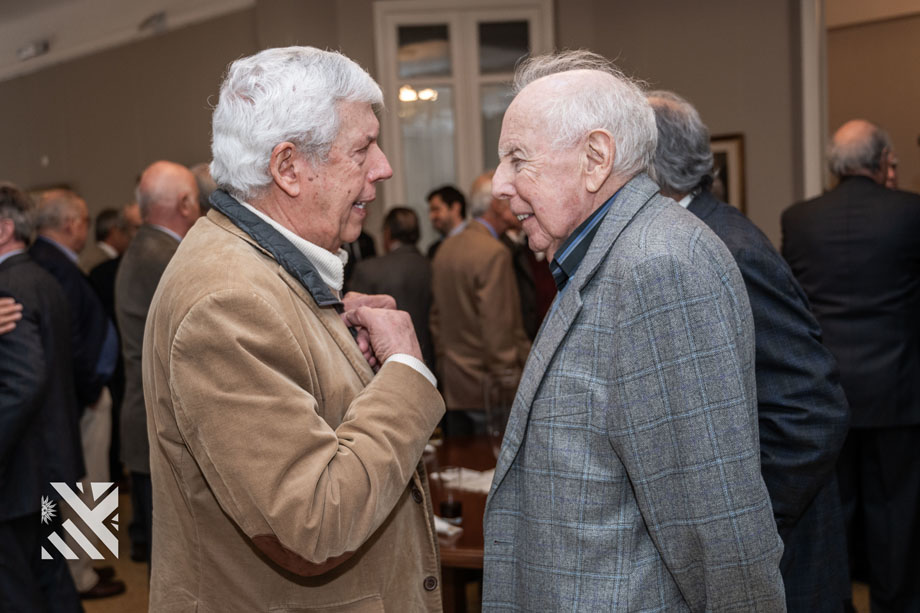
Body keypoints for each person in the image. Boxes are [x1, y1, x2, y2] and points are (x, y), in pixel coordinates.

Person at [143, 46, 445, 611]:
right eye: (362, 149)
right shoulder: (227, 301)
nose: (383, 167)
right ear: (288, 168)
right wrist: (406, 369)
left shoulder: (257, 270)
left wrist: (329, 329)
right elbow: (315, 524)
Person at [482, 50, 784, 611]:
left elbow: (717, 524)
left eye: (517, 159)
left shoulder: (657, 267)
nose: (499, 184)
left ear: (596, 158)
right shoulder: (610, 256)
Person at [649, 90, 851, 612]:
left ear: (649, 170)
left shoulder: (727, 250)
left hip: (783, 565)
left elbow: (812, 412)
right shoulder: (698, 234)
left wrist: (743, 530)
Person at [782, 119, 920, 613]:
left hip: (827, 392)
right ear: (882, 160)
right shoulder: (910, 212)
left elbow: (795, 305)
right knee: (896, 518)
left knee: (832, 515)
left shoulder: (800, 219)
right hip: (898, 391)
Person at [29, 188, 125, 599]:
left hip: (77, 397)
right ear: (70, 224)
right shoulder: (54, 267)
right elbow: (70, 341)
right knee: (82, 489)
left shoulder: (49, 261)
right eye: (84, 221)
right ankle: (79, 574)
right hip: (79, 399)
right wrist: (91, 388)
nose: (85, 229)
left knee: (85, 487)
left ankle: (84, 565)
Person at [0, 182, 84, 612]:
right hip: (50, 458)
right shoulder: (43, 277)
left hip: (18, 471)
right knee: (54, 577)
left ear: (4, 230)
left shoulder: (7, 287)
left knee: (20, 590)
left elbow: (24, 382)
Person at [115, 160, 201, 566]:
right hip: (158, 423)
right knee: (173, 562)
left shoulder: (147, 247)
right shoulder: (164, 256)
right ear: (184, 204)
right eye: (197, 201)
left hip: (145, 415)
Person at [430, 171, 530, 435]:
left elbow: (436, 319)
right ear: (496, 205)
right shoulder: (493, 253)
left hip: (454, 387)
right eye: (510, 197)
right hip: (489, 390)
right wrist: (512, 385)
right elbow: (497, 329)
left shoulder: (445, 249)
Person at [349, 206, 435, 368]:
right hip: (429, 362)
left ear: (388, 233)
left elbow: (353, 327)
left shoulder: (368, 270)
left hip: (385, 364)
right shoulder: (431, 266)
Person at [78, 208, 132, 274]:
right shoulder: (101, 262)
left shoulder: (90, 255)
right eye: (125, 230)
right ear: (114, 232)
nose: (130, 236)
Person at [426, 184, 467, 258]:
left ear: (455, 208)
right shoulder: (434, 249)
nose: (431, 216)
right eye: (431, 211)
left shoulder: (475, 241)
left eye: (436, 209)